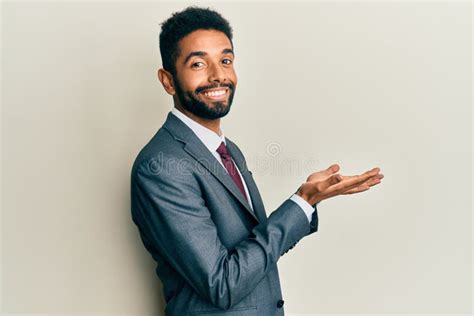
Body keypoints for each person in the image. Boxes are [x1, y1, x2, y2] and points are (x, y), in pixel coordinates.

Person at [130, 6, 384, 316]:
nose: (218, 75)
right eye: (198, 63)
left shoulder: (228, 150)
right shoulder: (160, 166)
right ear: (168, 80)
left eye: (226, 61)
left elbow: (251, 251)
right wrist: (302, 202)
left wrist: (308, 198)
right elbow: (223, 283)